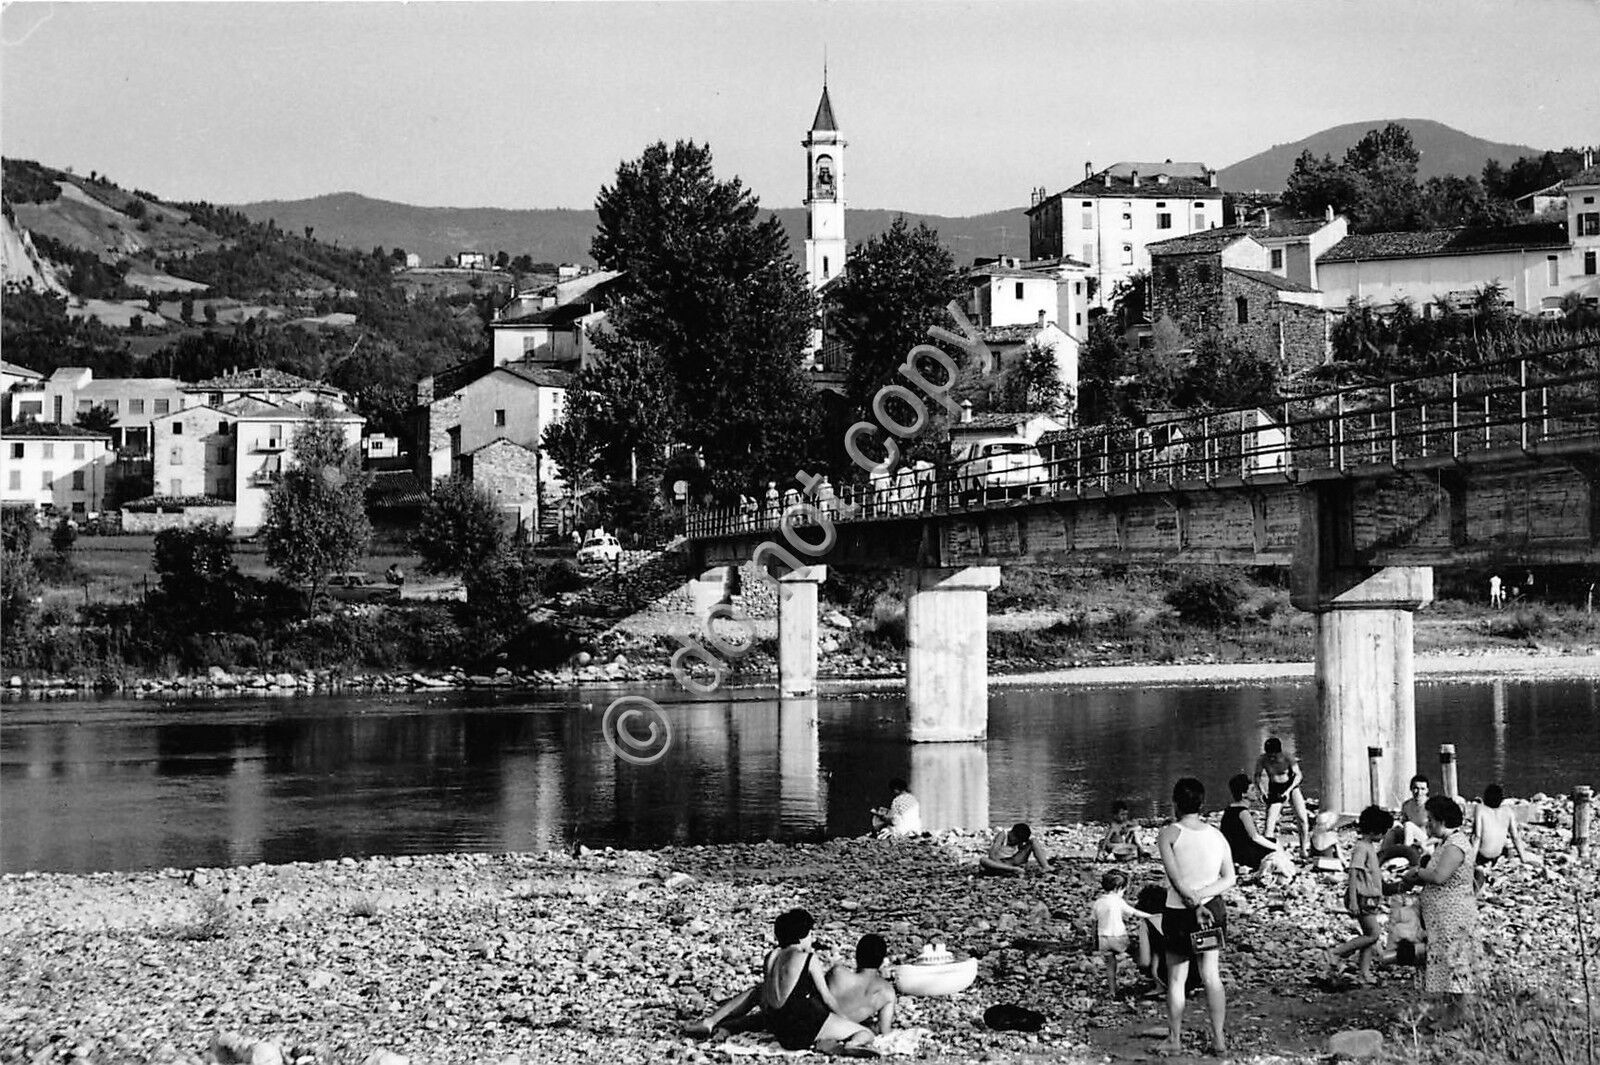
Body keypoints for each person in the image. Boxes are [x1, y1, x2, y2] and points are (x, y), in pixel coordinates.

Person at [1155, 777, 1236, 1057]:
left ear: (1176, 803)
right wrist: (1203, 896)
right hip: (1212, 911)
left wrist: (1192, 901)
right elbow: (1229, 878)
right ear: (1202, 804)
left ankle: (1175, 1038)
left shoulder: (1169, 834)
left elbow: (1176, 879)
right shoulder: (1217, 835)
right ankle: (1218, 1038)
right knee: (1211, 975)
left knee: (1177, 977)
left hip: (1180, 913)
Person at [689, 933, 895, 1041]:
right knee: (767, 1015)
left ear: (857, 955)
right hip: (839, 1028)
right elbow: (885, 1031)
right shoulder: (887, 993)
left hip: (811, 1020)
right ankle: (722, 1026)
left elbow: (819, 994)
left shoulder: (839, 972)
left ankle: (718, 1023)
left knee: (762, 996)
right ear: (882, 960)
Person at [1399, 796, 1483, 1031]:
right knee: (1445, 964)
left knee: (1454, 963)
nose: (1428, 825)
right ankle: (1450, 1013)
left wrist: (1417, 871)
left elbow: (1439, 876)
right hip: (1443, 914)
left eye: (1431, 821)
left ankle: (1458, 1016)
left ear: (1443, 820)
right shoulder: (1447, 843)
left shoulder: (1456, 844)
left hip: (1453, 914)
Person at [758, 908, 878, 1055]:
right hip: (803, 1027)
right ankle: (852, 1044)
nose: (812, 939)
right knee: (865, 1032)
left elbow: (766, 1000)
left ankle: (824, 1043)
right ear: (802, 935)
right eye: (810, 933)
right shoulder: (807, 958)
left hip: (781, 1031)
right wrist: (846, 1019)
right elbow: (826, 998)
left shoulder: (771, 958)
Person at [1326, 806, 1395, 985]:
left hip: (1370, 898)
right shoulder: (1362, 848)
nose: (1383, 836)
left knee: (1369, 936)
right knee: (1373, 934)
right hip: (1362, 897)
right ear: (1374, 830)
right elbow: (1353, 874)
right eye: (1382, 832)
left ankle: (1364, 973)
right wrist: (1354, 900)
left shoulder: (1368, 846)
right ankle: (1336, 952)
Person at [1091, 870, 1155, 999]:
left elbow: (1094, 923)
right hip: (1118, 937)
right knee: (1135, 951)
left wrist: (1094, 941)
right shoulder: (1117, 901)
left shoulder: (1098, 903)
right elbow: (1133, 912)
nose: (1123, 893)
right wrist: (1152, 916)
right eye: (1123, 890)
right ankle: (1148, 973)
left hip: (1103, 938)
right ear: (1118, 888)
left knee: (1110, 965)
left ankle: (1112, 991)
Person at [1220, 774, 1296, 879]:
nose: (1256, 792)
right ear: (1244, 794)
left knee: (1273, 842)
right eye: (1252, 789)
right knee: (1275, 845)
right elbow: (1255, 837)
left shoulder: (1230, 809)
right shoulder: (1243, 813)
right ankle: (1286, 872)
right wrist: (1276, 847)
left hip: (1233, 849)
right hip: (1242, 853)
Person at [1254, 737, 1310, 858]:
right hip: (1275, 788)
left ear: (1279, 752)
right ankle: (1268, 853)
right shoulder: (1263, 760)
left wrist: (1288, 791)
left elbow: (1298, 776)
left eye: (1274, 756)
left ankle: (1303, 848)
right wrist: (1262, 792)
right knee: (1269, 824)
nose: (1272, 758)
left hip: (1291, 787)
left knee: (1302, 819)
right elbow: (1257, 776)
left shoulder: (1288, 757)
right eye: (1269, 755)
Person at [1470, 783, 1527, 893]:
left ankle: (1479, 869)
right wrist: (1523, 858)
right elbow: (1515, 837)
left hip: (1482, 854)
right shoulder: (1508, 811)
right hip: (1497, 854)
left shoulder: (1480, 809)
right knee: (1507, 846)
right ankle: (1486, 868)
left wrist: (1471, 860)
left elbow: (1477, 836)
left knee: (1469, 841)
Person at [1382, 775, 1432, 864]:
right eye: (1416, 788)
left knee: (1409, 825)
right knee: (1394, 827)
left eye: (1422, 789)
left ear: (1427, 790)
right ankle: (1383, 855)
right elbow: (1403, 824)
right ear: (1411, 789)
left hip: (1426, 842)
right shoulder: (1407, 805)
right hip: (1410, 839)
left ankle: (1406, 855)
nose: (1419, 792)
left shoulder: (1432, 806)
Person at [979, 823, 1051, 876]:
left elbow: (1021, 852)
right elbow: (992, 854)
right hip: (998, 863)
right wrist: (1000, 864)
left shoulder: (1019, 840)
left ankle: (1045, 866)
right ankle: (1012, 870)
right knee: (983, 860)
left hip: (1012, 861)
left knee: (1033, 841)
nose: (1017, 842)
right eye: (1017, 840)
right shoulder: (1003, 835)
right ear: (1012, 833)